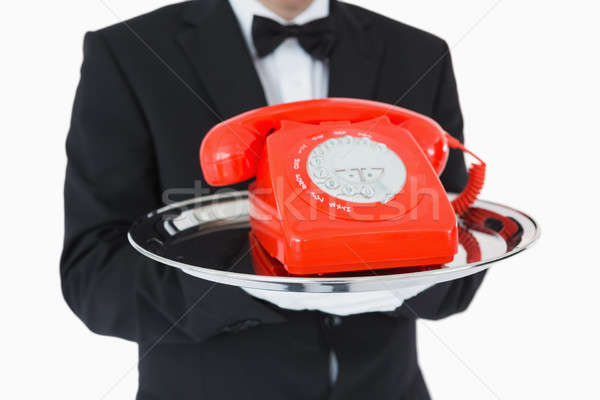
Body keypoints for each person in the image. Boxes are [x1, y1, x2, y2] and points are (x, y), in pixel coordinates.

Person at [61, 0, 486, 398]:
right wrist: (244, 289)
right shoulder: (130, 53)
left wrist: (407, 285)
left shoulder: (417, 52)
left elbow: (459, 258)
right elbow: (94, 276)